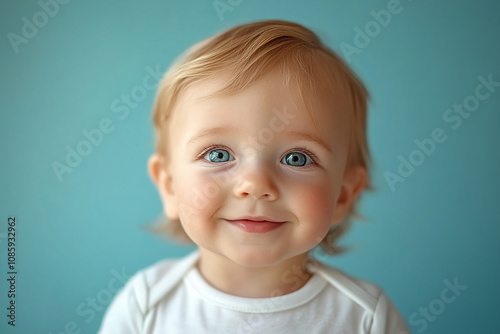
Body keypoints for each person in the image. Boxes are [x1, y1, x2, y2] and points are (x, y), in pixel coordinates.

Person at [98, 20, 410, 333]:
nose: (256, 185)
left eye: (296, 158)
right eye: (218, 155)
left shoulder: (365, 317)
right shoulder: (145, 305)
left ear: (343, 194)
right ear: (169, 187)